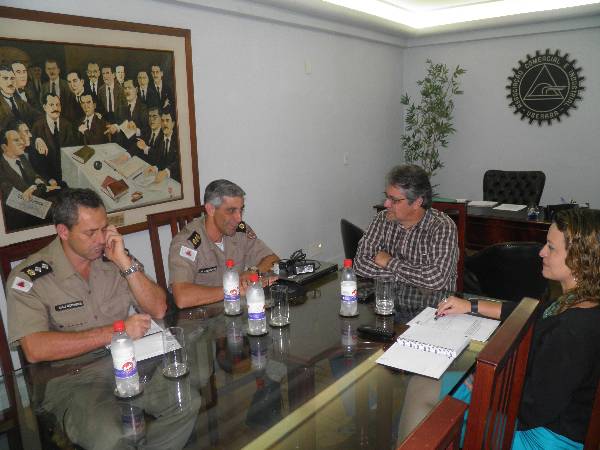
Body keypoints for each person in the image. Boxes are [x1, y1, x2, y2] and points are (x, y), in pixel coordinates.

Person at [437, 208, 600, 449]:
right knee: (447, 384)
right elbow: (534, 313)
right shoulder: (579, 300)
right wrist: (471, 305)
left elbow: (533, 410)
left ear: (580, 259)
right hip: (545, 417)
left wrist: (490, 385)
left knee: (440, 403)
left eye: (551, 247)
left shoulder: (573, 330)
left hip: (542, 437)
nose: (542, 252)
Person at [7, 188, 167, 363]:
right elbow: (35, 349)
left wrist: (125, 264)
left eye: (104, 229)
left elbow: (158, 309)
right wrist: (117, 332)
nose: (101, 240)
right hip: (71, 374)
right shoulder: (28, 278)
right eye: (90, 233)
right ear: (63, 232)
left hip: (124, 363)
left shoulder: (114, 257)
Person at [168, 179, 279, 308]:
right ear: (211, 209)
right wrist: (234, 289)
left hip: (236, 310)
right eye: (231, 211)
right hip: (202, 315)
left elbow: (273, 260)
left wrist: (253, 272)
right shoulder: (187, 242)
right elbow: (182, 297)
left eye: (241, 210)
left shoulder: (239, 231)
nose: (239, 218)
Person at [354, 164, 458, 290]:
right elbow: (360, 264)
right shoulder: (382, 219)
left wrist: (389, 262)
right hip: (391, 298)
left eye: (394, 200)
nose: (386, 204)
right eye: (387, 196)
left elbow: (436, 279)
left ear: (417, 202)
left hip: (434, 301)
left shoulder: (442, 226)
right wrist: (409, 278)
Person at [31, 93, 76, 184]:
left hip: (68, 176)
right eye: (51, 105)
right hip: (48, 179)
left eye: (58, 105)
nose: (55, 108)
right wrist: (47, 179)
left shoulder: (67, 125)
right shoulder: (37, 127)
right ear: (44, 107)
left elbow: (72, 152)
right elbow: (34, 160)